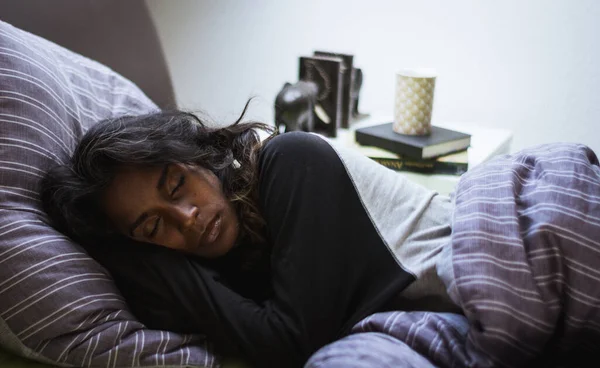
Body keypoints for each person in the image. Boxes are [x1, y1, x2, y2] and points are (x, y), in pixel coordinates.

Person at [41, 102, 460, 367]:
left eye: (176, 185)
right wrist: (137, 255)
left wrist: (145, 257)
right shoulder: (227, 261)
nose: (186, 218)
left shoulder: (290, 159)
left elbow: (290, 344)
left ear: (199, 155)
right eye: (153, 226)